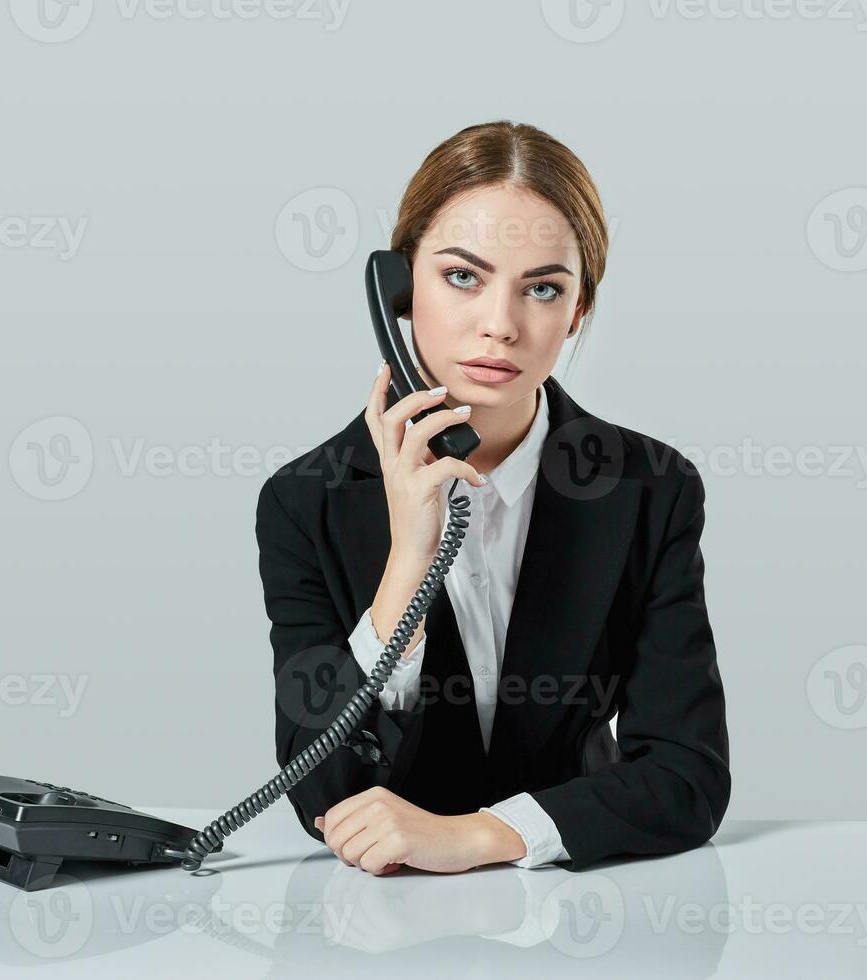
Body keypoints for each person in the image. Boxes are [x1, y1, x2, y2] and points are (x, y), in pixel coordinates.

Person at [257, 120, 730, 875]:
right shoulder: (303, 503)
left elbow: (688, 777)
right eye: (463, 277)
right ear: (399, 289)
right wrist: (408, 560)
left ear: (577, 312)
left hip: (586, 925)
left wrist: (484, 835)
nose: (501, 326)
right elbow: (323, 790)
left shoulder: (651, 489)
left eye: (542, 289)